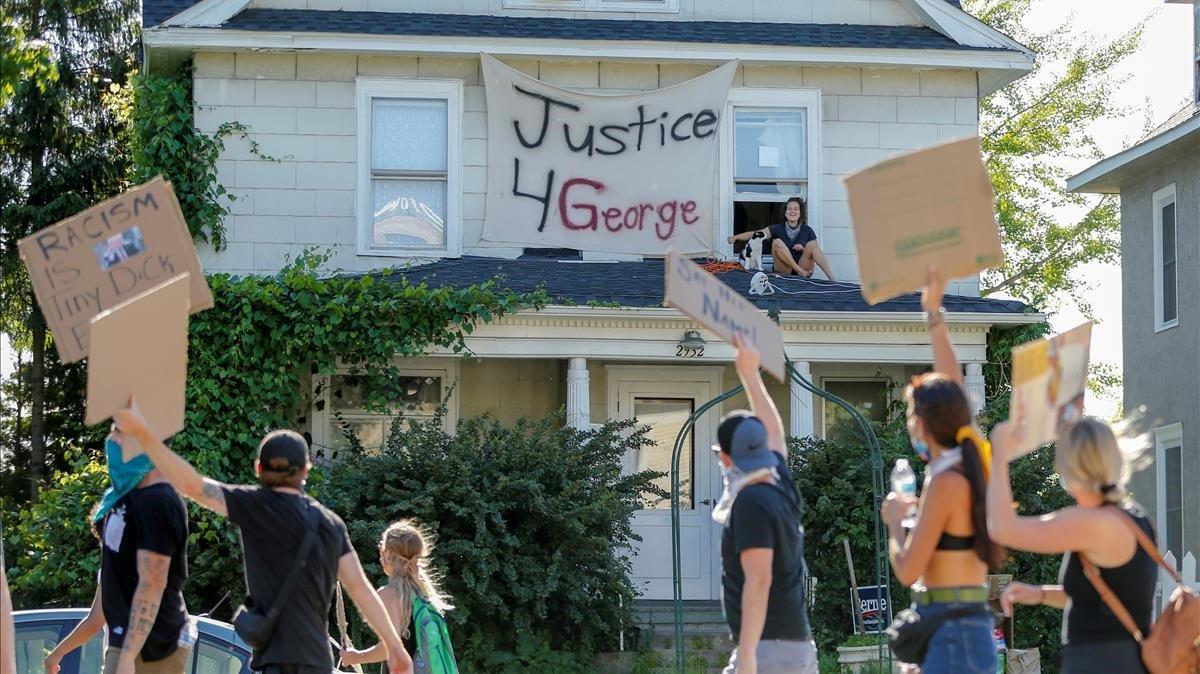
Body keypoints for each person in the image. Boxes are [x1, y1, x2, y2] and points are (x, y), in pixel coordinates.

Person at [112, 400, 413, 674]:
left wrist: (144, 434)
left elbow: (192, 484)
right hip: (317, 663)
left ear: (258, 468)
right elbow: (360, 590)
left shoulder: (251, 505)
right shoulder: (329, 524)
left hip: (272, 662)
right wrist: (395, 648)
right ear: (305, 471)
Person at [880, 268, 1004, 674]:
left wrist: (895, 523)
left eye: (913, 414)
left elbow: (909, 569)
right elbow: (951, 381)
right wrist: (933, 312)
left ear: (924, 423)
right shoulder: (969, 463)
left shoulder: (948, 481)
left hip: (953, 634)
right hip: (959, 628)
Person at [987, 416, 1156, 674]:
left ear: (1072, 464)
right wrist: (1039, 593)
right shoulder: (1135, 519)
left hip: (1100, 664)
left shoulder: (1095, 522)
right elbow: (1098, 603)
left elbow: (1002, 529)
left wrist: (999, 455)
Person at [715, 334, 816, 674]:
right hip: (790, 645)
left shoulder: (751, 502)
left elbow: (759, 580)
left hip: (768, 649)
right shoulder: (779, 483)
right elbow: (776, 435)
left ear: (727, 458)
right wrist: (750, 375)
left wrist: (746, 658)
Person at [94, 431, 193, 674]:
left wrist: (128, 656)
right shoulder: (124, 497)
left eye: (119, 431)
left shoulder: (158, 500)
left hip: (151, 648)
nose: (111, 440)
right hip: (127, 643)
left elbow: (153, 582)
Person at [340, 520, 457, 672]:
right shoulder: (422, 595)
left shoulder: (389, 595)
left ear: (388, 555)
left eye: (382, 550)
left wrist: (356, 657)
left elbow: (390, 648)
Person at [727, 197, 836, 280]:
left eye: (796, 209)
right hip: (784, 270)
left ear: (800, 213)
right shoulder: (777, 229)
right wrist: (736, 237)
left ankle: (833, 280)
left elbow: (816, 252)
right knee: (777, 242)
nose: (792, 211)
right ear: (785, 213)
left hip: (803, 267)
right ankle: (800, 271)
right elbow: (756, 234)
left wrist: (803, 249)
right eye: (789, 209)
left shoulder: (807, 230)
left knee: (812, 245)